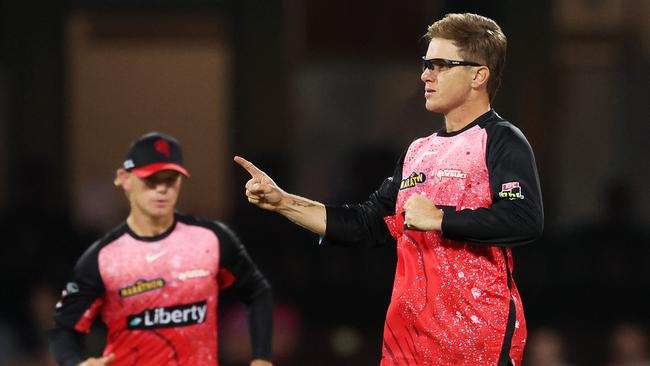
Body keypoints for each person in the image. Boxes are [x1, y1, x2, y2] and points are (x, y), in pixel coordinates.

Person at [235, 12, 543, 366]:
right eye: (427, 64)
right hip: (408, 342)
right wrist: (282, 202)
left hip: (476, 339)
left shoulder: (502, 139)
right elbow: (365, 224)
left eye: (441, 65)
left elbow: (524, 218)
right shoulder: (417, 151)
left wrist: (441, 219)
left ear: (478, 75)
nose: (426, 75)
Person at [49, 132, 273, 366]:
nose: (162, 189)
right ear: (124, 179)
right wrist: (76, 363)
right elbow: (63, 328)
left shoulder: (212, 240)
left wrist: (262, 359)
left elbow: (257, 292)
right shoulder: (104, 257)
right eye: (151, 180)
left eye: (170, 179)